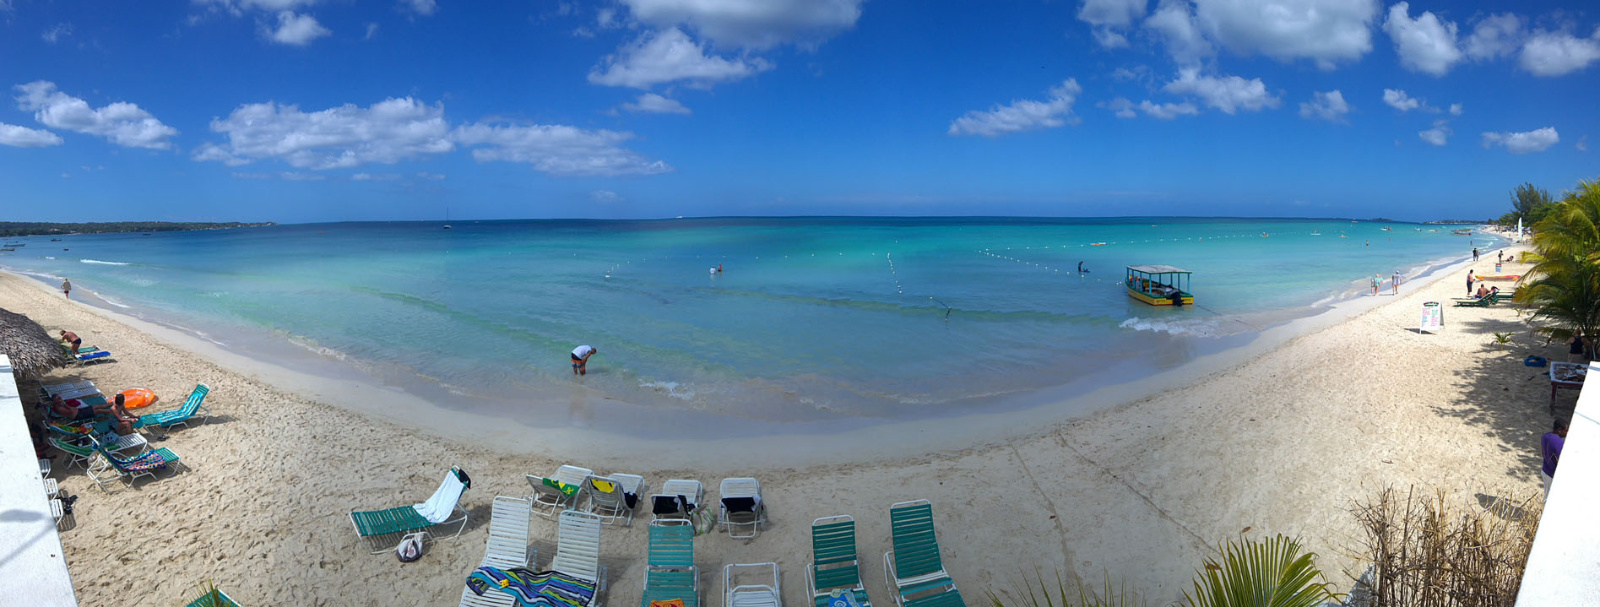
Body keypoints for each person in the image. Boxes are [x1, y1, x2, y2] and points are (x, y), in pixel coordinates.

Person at [1541, 419, 1568, 498]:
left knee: (1546, 494)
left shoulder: (1545, 436)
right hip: (1552, 474)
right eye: (1566, 430)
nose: (1567, 433)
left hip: (1545, 470)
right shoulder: (1559, 442)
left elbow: (1543, 452)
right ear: (1559, 430)